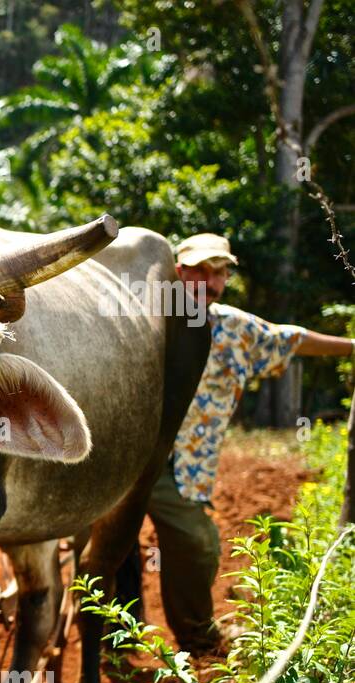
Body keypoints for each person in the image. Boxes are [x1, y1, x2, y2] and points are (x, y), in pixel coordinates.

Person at [132, 233, 355, 653]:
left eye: (219, 273)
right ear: (178, 271)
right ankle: (117, 639)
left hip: (183, 466)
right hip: (129, 457)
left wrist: (351, 348)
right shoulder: (147, 318)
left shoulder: (232, 329)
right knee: (111, 550)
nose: (210, 282)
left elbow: (291, 338)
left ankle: (196, 636)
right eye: (199, 270)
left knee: (197, 542)